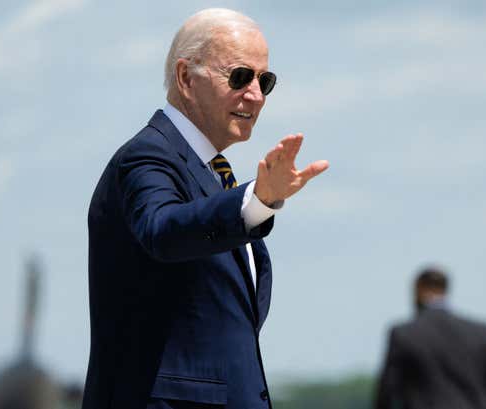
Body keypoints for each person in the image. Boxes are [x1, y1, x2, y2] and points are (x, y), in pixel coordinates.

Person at [82, 8, 328, 409]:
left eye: (264, 81)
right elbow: (163, 230)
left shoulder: (213, 174)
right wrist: (258, 202)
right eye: (239, 77)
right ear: (185, 78)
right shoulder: (146, 157)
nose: (256, 95)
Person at [375, 267, 486, 409]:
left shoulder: (404, 334)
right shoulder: (482, 332)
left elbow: (387, 392)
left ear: (419, 290)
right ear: (445, 290)